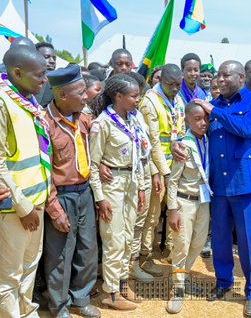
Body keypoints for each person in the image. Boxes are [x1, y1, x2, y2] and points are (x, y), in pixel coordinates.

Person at [173, 60, 251, 317]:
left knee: (249, 242)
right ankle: (223, 282)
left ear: (240, 77)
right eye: (219, 76)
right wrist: (176, 144)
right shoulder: (211, 106)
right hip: (219, 186)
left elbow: (247, 129)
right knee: (221, 240)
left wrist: (214, 110)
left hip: (246, 185)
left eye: (226, 76)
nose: (221, 80)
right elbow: (194, 131)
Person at [44, 65, 100, 318]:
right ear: (63, 95)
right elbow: (44, 174)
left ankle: (81, 297)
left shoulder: (84, 118)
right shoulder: (45, 124)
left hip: (84, 193)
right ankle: (59, 306)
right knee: (60, 256)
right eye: (80, 92)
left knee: (87, 250)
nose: (86, 96)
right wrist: (54, 209)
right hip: (61, 196)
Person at [0, 45, 51, 318]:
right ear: (17, 73)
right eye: (39, 75)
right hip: (14, 208)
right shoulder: (2, 101)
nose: (45, 81)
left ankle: (26, 311)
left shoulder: (26, 99)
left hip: (36, 200)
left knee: (30, 265)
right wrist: (23, 207)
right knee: (9, 275)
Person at [89, 74, 145, 311]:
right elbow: (93, 164)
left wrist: (141, 187)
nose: (138, 99)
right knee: (113, 239)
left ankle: (123, 283)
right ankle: (110, 292)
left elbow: (138, 157)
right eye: (133, 96)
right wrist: (100, 198)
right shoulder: (103, 124)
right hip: (111, 185)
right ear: (118, 96)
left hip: (131, 182)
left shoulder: (133, 119)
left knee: (127, 236)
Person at [138, 63, 186, 277]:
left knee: (175, 208)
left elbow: (181, 129)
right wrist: (164, 172)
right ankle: (144, 256)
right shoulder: (149, 102)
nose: (175, 88)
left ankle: (170, 249)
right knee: (153, 214)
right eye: (170, 84)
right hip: (156, 167)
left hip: (175, 163)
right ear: (160, 81)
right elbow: (153, 141)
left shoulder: (178, 100)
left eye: (178, 84)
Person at [166, 101, 211, 314]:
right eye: (197, 119)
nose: (203, 123)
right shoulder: (184, 145)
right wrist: (172, 209)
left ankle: (184, 276)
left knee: (198, 243)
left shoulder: (210, 141)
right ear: (187, 120)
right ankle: (177, 289)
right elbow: (173, 180)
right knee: (181, 245)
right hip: (184, 202)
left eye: (205, 119)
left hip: (203, 202)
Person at [35, 42, 56, 108]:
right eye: (46, 57)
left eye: (54, 58)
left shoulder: (57, 84)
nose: (52, 61)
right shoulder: (23, 81)